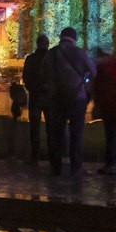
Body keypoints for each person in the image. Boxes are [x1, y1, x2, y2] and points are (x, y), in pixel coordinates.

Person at [45, 27, 94, 174]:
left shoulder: (51, 53)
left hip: (57, 97)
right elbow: (93, 72)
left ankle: (56, 165)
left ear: (61, 37)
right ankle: (76, 165)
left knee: (57, 132)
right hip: (77, 97)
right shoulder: (80, 53)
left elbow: (43, 74)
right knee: (76, 133)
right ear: (74, 39)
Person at [21, 34, 52, 166]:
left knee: (35, 127)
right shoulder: (51, 58)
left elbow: (26, 77)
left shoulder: (31, 59)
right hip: (49, 96)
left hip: (35, 95)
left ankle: (35, 156)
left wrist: (33, 88)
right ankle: (52, 155)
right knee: (51, 128)